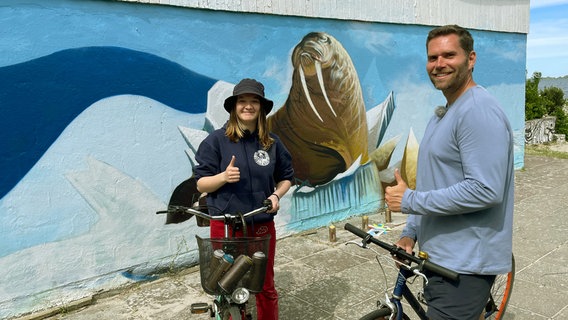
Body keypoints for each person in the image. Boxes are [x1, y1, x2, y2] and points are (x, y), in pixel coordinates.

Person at [384, 25, 514, 320]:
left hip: (465, 266)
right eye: (432, 57)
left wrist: (410, 201)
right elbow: (433, 183)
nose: (439, 64)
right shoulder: (441, 114)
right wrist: (410, 232)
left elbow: (485, 189)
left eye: (449, 55)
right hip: (438, 257)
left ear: (471, 59)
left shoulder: (478, 111)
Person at [193, 78, 294, 320]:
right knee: (225, 285)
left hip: (260, 225)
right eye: (242, 101)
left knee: (264, 286)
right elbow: (201, 183)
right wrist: (223, 177)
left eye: (253, 101)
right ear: (233, 107)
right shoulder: (216, 141)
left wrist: (276, 194)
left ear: (261, 107)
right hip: (225, 226)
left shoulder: (271, 143)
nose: (248, 106)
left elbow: (287, 178)